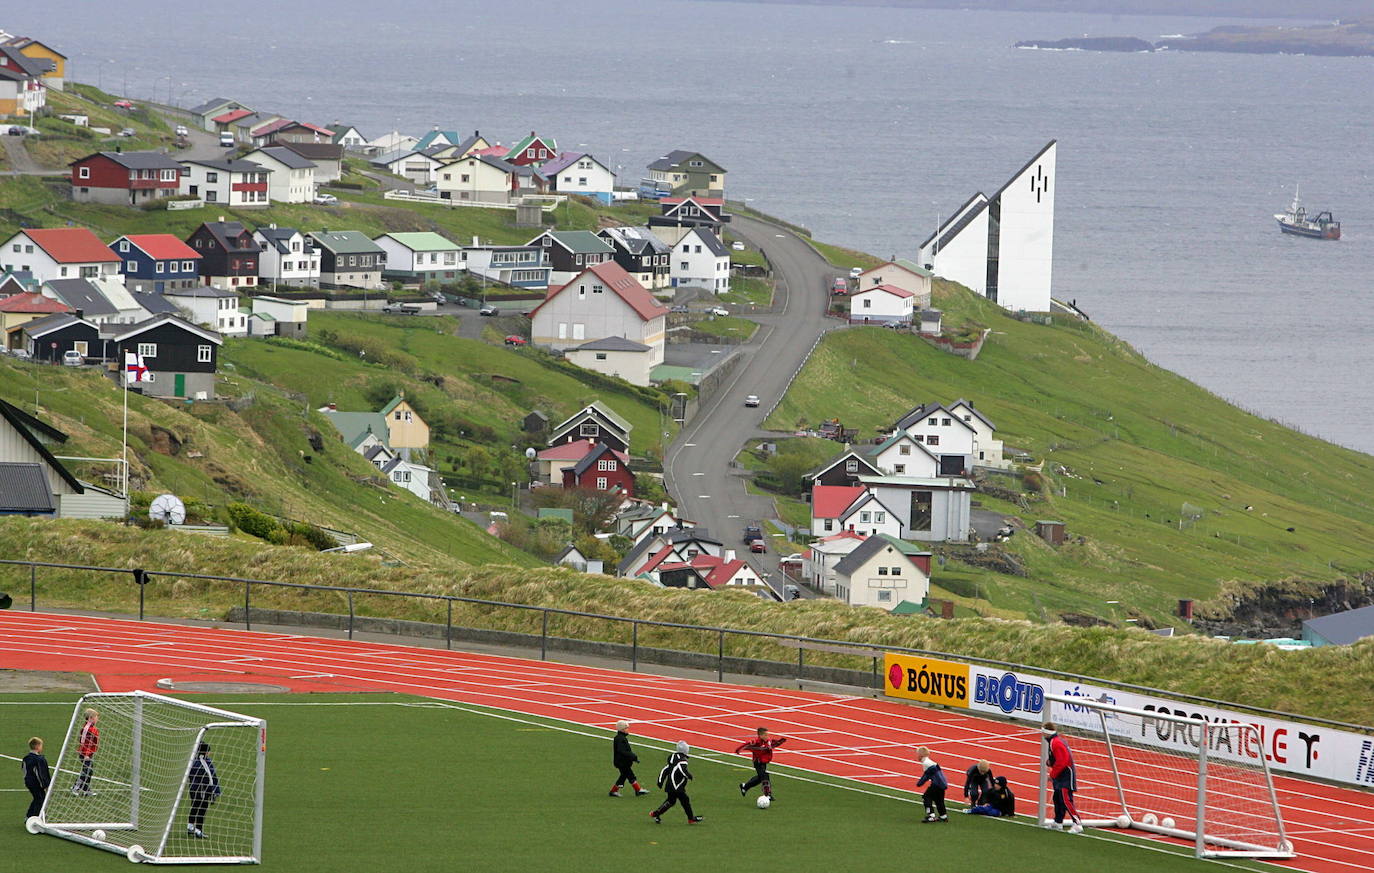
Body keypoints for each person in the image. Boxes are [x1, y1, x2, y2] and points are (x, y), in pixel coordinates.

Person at [650, 741, 702, 824]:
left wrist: (660, 781)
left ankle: (656, 814)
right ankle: (691, 818)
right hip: (677, 786)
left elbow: (665, 770)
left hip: (670, 785)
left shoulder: (673, 759)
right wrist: (689, 775)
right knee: (684, 800)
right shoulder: (682, 761)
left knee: (671, 801)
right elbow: (682, 770)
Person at [1043, 723, 1081, 833]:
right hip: (1061, 774)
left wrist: (1052, 774)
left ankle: (1077, 823)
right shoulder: (1053, 742)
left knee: (1066, 800)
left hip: (1066, 775)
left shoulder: (1056, 743)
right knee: (1057, 798)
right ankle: (1058, 822)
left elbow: (1062, 761)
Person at [735, 727, 788, 801]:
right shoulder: (755, 742)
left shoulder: (768, 742)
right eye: (765, 735)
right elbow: (746, 744)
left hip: (764, 762)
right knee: (765, 776)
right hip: (758, 762)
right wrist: (738, 750)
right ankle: (767, 794)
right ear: (760, 735)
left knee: (760, 778)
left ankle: (745, 787)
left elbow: (773, 744)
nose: (767, 737)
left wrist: (780, 741)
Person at [186, 742, 221, 839]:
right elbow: (211, 777)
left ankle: (190, 826)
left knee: (195, 807)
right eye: (209, 751)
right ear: (206, 752)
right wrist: (215, 791)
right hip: (202, 790)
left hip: (193, 788)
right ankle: (198, 831)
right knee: (202, 809)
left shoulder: (194, 761)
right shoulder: (204, 762)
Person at [609, 721, 649, 797]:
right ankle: (637, 790)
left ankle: (636, 790)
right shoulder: (621, 739)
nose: (628, 729)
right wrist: (633, 756)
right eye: (626, 728)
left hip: (621, 762)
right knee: (629, 775)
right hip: (622, 762)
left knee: (625, 775)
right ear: (622, 729)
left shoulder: (620, 738)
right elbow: (622, 751)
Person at [915, 746, 948, 822]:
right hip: (942, 783)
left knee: (926, 797)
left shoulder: (926, 763)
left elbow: (927, 775)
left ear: (921, 755)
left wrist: (920, 783)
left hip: (937, 784)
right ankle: (943, 816)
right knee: (939, 800)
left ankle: (931, 815)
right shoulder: (930, 762)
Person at [22, 737, 51, 821]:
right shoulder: (39, 759)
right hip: (37, 784)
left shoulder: (26, 758)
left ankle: (29, 815)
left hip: (29, 782)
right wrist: (45, 785)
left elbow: (24, 770)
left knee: (37, 798)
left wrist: (26, 780)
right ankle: (35, 817)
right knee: (40, 799)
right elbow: (41, 774)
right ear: (38, 747)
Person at [71, 709, 98, 796]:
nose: (97, 719)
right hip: (85, 753)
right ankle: (76, 787)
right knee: (87, 770)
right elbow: (83, 742)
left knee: (89, 771)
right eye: (96, 717)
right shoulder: (87, 728)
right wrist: (86, 754)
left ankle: (86, 789)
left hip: (89, 753)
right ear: (90, 718)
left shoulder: (92, 728)